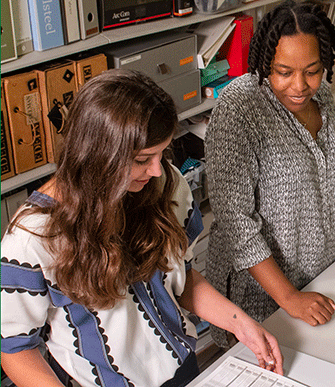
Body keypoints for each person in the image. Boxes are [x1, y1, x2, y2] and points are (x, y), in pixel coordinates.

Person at [0, 70, 283, 387]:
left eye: (162, 153)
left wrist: (241, 324)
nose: (157, 169)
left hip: (179, 365)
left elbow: (179, 276)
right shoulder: (31, 238)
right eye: (142, 158)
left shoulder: (165, 184)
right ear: (97, 154)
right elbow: (15, 348)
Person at [204, 0, 335, 347]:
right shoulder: (239, 109)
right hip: (261, 297)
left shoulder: (321, 96)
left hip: (321, 277)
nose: (299, 85)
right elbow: (237, 223)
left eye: (312, 71)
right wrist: (289, 298)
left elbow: (321, 176)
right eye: (283, 71)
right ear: (264, 63)